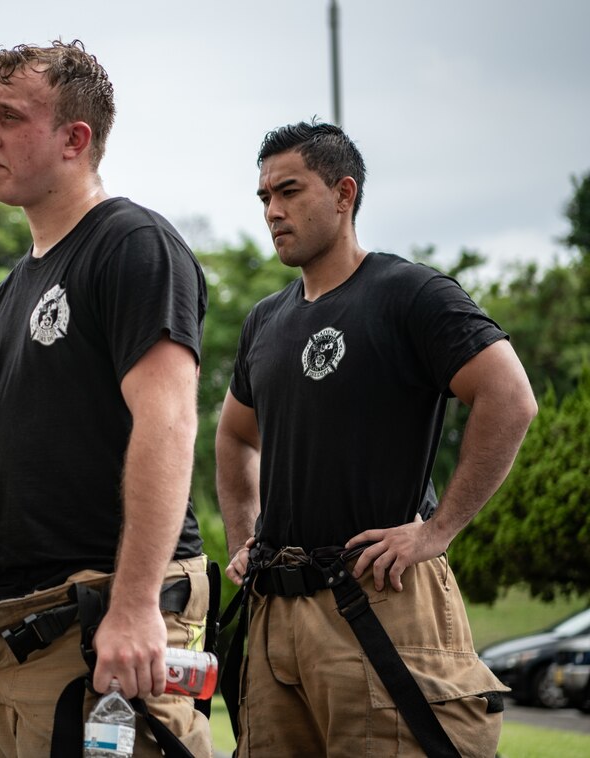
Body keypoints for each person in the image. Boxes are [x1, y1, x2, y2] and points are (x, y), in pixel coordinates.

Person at [0, 40, 213, 757]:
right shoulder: (8, 293)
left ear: (75, 139)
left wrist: (137, 607)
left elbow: (169, 424)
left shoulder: (133, 245)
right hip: (8, 633)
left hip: (103, 625)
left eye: (9, 117)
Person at [215, 120, 538, 756]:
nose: (273, 212)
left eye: (289, 191)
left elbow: (509, 397)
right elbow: (234, 437)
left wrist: (435, 531)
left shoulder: (407, 293)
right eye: (264, 199)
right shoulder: (266, 320)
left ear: (344, 193)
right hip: (274, 616)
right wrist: (242, 537)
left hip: (377, 598)